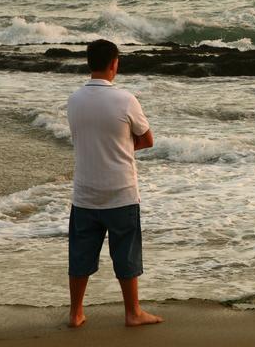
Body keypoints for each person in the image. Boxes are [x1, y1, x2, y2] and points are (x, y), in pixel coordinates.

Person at [66, 39, 163, 328]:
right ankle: (133, 312)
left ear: (89, 63)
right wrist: (121, 146)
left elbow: (84, 138)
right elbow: (147, 139)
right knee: (126, 253)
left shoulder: (74, 100)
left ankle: (76, 313)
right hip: (120, 191)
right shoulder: (125, 99)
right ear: (114, 64)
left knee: (80, 254)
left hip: (85, 192)